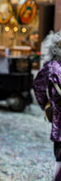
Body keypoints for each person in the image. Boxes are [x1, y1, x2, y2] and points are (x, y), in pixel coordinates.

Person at [33, 30, 61, 181]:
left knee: (60, 158)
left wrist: (46, 105)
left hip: (59, 120)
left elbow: (38, 87)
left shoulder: (51, 66)